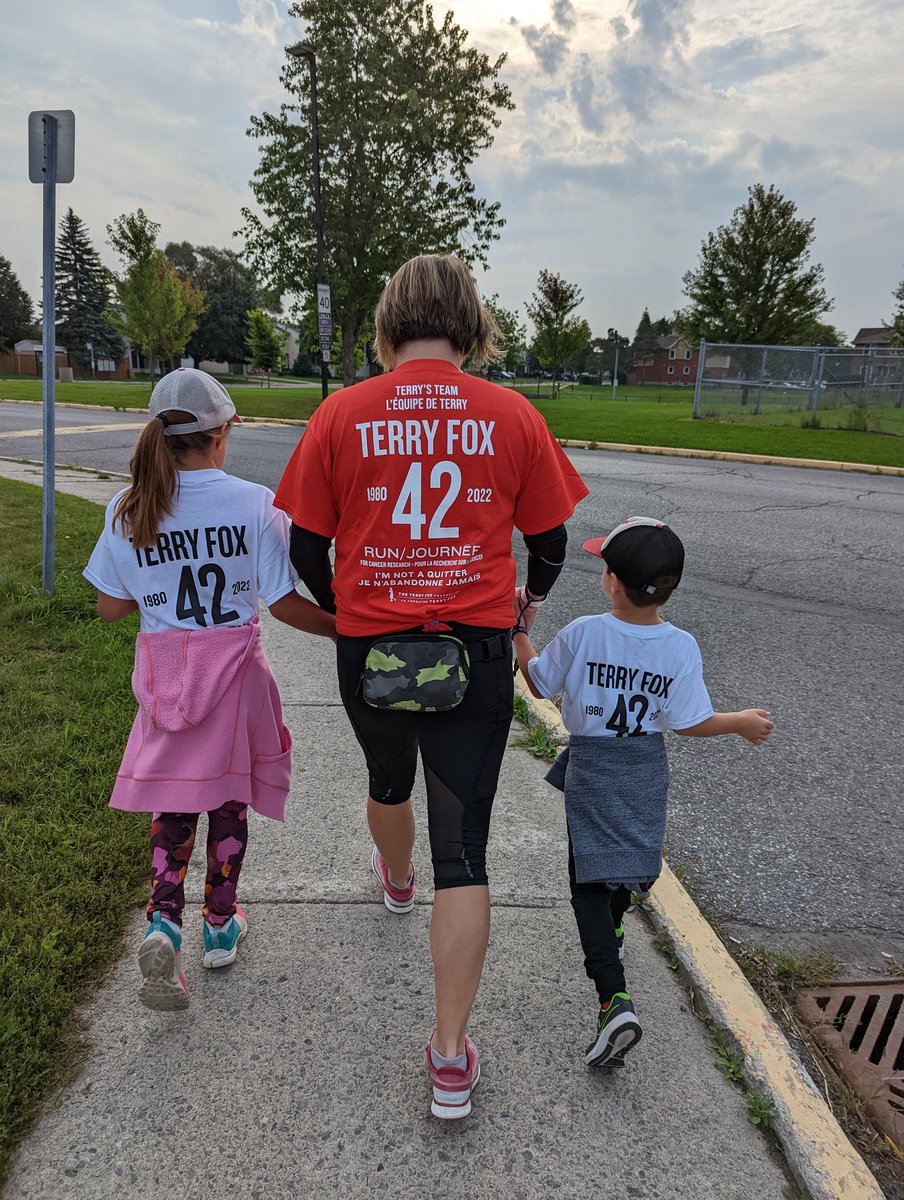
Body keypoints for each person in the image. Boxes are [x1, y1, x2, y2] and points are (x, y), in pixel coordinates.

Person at [275, 254, 588, 1118]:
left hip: (371, 646)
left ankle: (395, 874)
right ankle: (450, 1056)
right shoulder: (512, 413)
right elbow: (553, 537)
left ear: (390, 320)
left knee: (385, 780)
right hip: (476, 651)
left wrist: (350, 608)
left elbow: (306, 546)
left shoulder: (341, 411)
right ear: (468, 320)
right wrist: (527, 604)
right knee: (469, 852)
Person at [83, 367, 336, 1013]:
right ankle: (219, 926)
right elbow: (282, 605)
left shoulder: (128, 505)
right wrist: (345, 631)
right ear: (222, 434)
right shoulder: (255, 504)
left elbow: (111, 609)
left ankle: (163, 921)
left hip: (168, 676)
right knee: (229, 805)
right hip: (236, 677)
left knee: (172, 809)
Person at [513, 517, 773, 1068]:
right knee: (629, 860)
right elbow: (688, 721)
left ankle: (614, 1000)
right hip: (646, 765)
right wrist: (739, 721)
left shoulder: (584, 632)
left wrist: (517, 630)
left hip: (594, 767)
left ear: (609, 579)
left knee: (586, 877)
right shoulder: (680, 646)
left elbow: (538, 682)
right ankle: (614, 931)